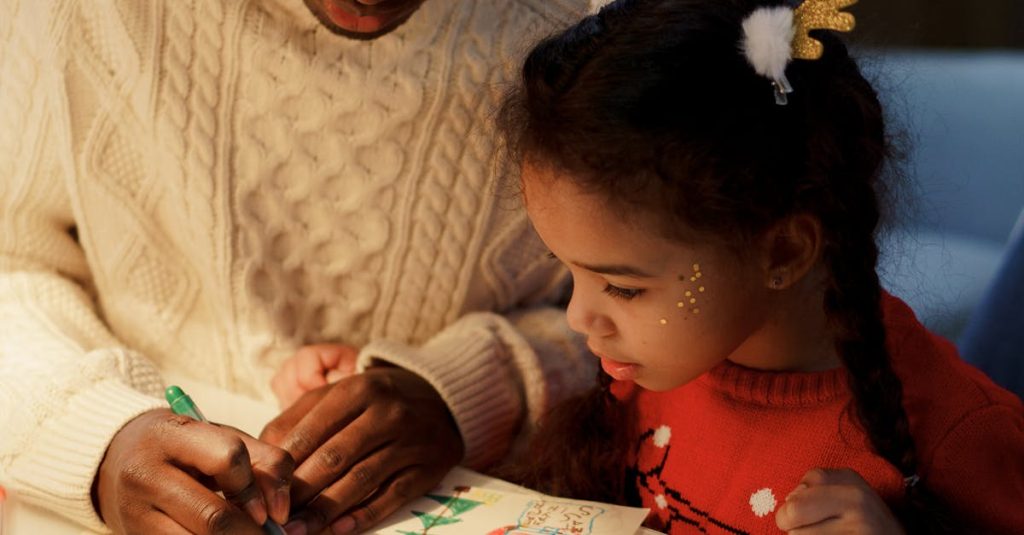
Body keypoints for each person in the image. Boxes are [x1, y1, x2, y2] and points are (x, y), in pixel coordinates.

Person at [0, 0, 596, 534]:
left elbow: (656, 297)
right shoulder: (75, 14)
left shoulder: (593, 24)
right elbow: (14, 262)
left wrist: (471, 388)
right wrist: (93, 434)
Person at [493, 0, 1024, 533]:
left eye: (622, 288)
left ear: (784, 251)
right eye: (568, 270)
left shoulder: (961, 437)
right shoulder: (657, 370)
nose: (578, 317)